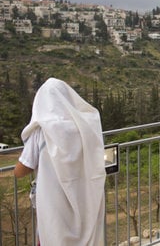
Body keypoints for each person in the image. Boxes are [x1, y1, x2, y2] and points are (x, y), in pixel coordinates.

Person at [13, 77, 106, 246]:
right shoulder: (83, 128)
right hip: (84, 198)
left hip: (54, 204)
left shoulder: (42, 132)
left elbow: (21, 170)